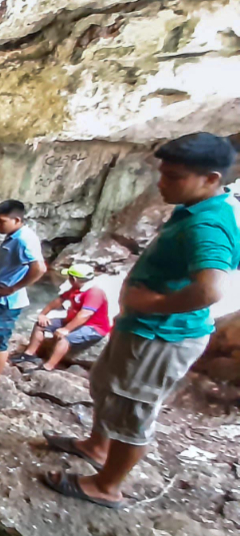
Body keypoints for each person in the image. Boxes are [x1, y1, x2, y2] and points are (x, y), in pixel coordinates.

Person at [43, 132, 239, 509]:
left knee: (133, 407)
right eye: (163, 173)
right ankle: (96, 446)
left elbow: (212, 288)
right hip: (141, 329)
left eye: (174, 176)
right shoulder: (196, 209)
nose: (162, 183)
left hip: (161, 335)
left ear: (211, 178)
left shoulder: (207, 225)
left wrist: (154, 304)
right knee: (106, 385)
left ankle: (107, 486)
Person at [0, 200, 47, 389]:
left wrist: (13, 288)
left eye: (1, 221)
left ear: (17, 219)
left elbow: (39, 268)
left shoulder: (24, 239)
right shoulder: (14, 236)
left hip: (5, 301)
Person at [12, 264, 111, 373]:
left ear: (73, 279)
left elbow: (85, 314)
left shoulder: (94, 292)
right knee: (41, 325)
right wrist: (43, 314)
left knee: (65, 339)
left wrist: (66, 329)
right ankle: (29, 354)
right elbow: (58, 300)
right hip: (73, 321)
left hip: (94, 327)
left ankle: (48, 367)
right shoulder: (76, 289)